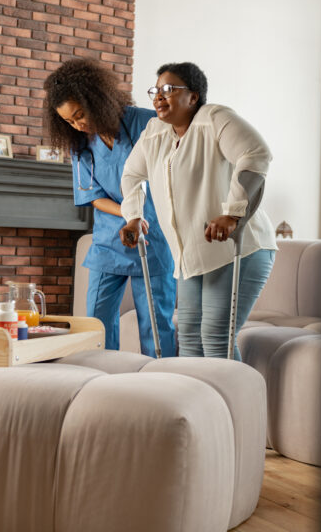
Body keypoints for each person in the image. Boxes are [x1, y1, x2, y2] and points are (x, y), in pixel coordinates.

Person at [119, 62, 277, 360]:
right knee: (189, 337)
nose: (158, 97)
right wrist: (134, 216)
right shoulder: (155, 132)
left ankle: (234, 406)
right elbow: (131, 174)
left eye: (168, 89)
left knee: (216, 337)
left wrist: (232, 214)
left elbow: (256, 154)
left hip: (238, 248)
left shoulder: (215, 118)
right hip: (192, 256)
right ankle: (198, 404)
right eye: (155, 90)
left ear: (193, 97)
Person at [44, 59, 176, 357]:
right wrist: (129, 214)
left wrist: (141, 216)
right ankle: (102, 379)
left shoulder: (148, 123)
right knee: (96, 321)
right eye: (69, 121)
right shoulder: (81, 145)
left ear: (96, 99)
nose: (78, 125)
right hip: (109, 238)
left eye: (80, 115)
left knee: (155, 323)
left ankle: (161, 381)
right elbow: (93, 196)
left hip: (153, 236)